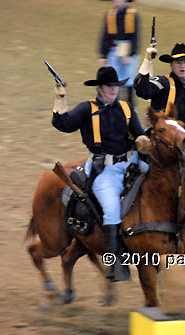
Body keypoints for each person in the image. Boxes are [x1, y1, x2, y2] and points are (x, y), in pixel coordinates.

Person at [51, 66, 149, 282]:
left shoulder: (126, 108)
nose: (113, 90)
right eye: (108, 86)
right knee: (112, 209)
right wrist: (60, 98)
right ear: (100, 88)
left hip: (130, 163)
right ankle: (115, 263)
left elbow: (139, 134)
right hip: (104, 171)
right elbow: (63, 124)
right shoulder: (87, 109)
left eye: (115, 86)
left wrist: (144, 141)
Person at [134, 43, 185, 133]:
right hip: (162, 137)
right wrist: (147, 60)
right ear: (171, 65)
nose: (182, 66)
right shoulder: (163, 82)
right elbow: (143, 91)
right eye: (178, 63)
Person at [98, 0, 139, 106]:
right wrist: (103, 54)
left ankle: (130, 106)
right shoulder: (110, 14)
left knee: (129, 79)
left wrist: (130, 54)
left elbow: (135, 37)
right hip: (113, 50)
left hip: (128, 48)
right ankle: (115, 104)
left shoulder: (132, 14)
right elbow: (105, 35)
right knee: (114, 79)